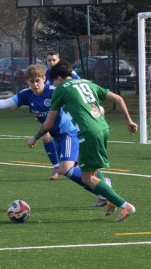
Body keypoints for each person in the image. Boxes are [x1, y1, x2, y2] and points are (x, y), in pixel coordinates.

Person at [0, 64, 114, 209]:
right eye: (32, 82)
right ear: (27, 82)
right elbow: (7, 103)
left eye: (38, 81)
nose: (35, 85)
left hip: (68, 133)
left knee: (66, 170)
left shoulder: (55, 91)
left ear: (44, 79)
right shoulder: (26, 94)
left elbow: (76, 99)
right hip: (57, 136)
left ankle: (104, 188)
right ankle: (103, 189)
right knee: (80, 164)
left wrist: (98, 109)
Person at [29, 59, 138, 222]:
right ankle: (110, 199)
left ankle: (124, 205)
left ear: (58, 78)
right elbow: (119, 99)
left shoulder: (60, 90)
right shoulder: (87, 83)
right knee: (85, 164)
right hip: (103, 128)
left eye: (54, 82)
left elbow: (48, 124)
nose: (54, 86)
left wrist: (35, 137)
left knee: (88, 178)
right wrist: (129, 121)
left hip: (88, 132)